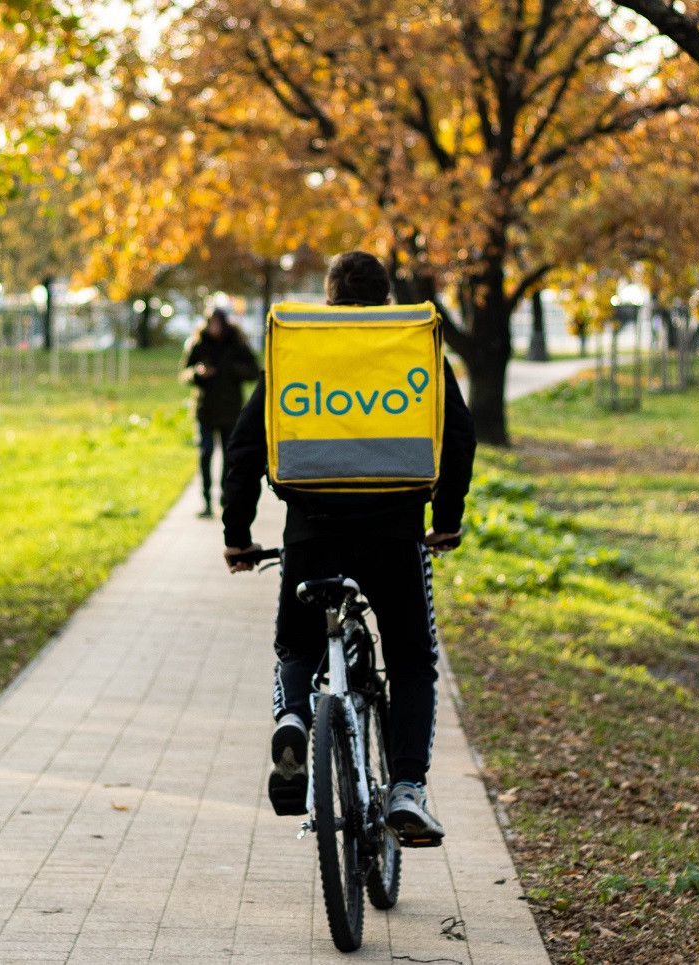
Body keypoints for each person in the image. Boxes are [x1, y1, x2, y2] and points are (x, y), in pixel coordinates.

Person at [221, 251, 476, 844]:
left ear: (331, 301)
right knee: (412, 661)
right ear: (387, 301)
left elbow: (243, 449)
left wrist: (238, 536)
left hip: (313, 534)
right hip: (397, 534)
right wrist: (447, 518)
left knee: (297, 645)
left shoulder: (298, 354)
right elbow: (458, 436)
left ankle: (291, 720)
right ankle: (408, 789)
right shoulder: (414, 349)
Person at [180, 308, 260, 517]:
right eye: (211, 324)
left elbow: (254, 371)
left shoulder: (237, 344)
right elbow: (185, 373)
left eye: (218, 324)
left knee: (228, 456)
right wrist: (198, 373)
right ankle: (206, 500)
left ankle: (226, 498)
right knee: (205, 453)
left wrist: (232, 370)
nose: (214, 328)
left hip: (230, 411)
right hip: (205, 409)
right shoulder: (199, 344)